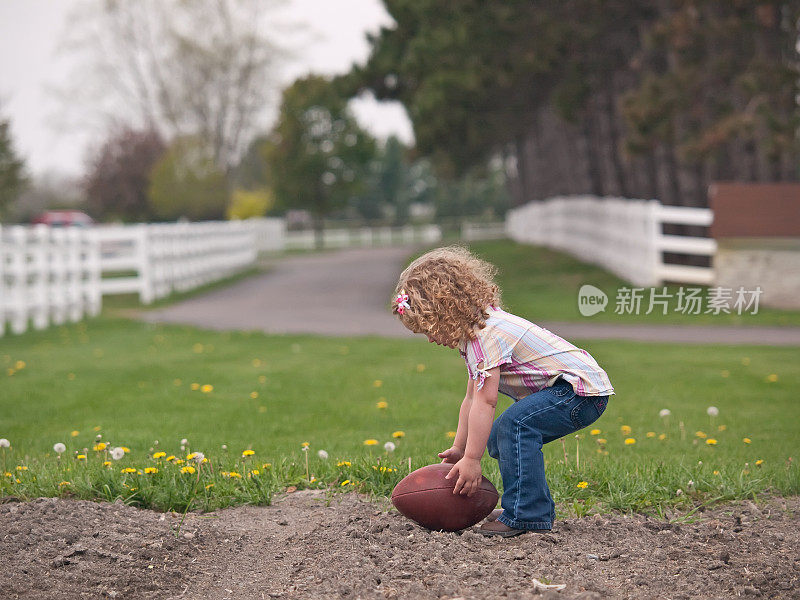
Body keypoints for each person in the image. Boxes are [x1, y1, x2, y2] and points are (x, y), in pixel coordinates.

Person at [391, 246, 614, 537]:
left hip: (579, 392)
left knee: (514, 427)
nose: (431, 339)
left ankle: (527, 514)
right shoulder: (474, 335)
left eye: (431, 329)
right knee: (498, 439)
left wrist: (473, 460)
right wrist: (460, 449)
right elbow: (471, 397)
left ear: (447, 312)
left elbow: (487, 400)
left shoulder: (486, 335)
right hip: (570, 391)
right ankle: (526, 505)